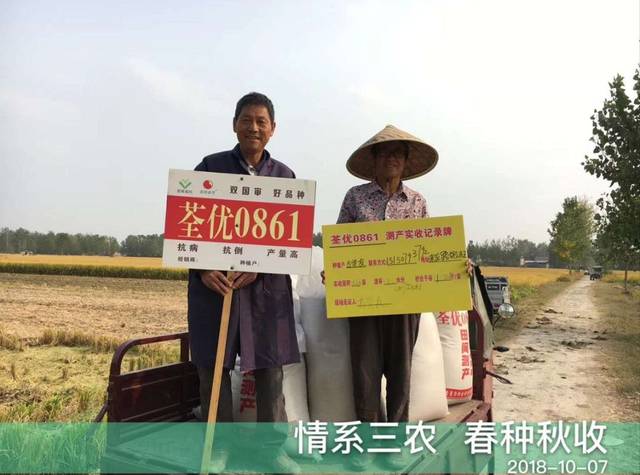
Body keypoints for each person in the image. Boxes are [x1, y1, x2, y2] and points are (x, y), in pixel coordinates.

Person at [188, 92, 300, 473]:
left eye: (261, 121)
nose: (254, 127)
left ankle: (272, 449)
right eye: (247, 120)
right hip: (216, 289)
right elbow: (188, 226)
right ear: (234, 124)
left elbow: (289, 241)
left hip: (266, 292)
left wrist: (262, 266)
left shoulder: (284, 178)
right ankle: (220, 447)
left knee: (270, 369)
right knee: (213, 368)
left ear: (273, 129)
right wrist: (203, 269)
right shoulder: (210, 168)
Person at [336, 124, 438, 471]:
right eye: (385, 153)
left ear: (406, 162)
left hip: (406, 303)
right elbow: (340, 246)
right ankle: (365, 444)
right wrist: (335, 271)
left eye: (399, 154)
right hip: (363, 302)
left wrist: (454, 264)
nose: (392, 159)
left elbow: (429, 250)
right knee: (364, 373)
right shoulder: (355, 198)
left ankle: (395, 443)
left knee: (400, 373)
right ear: (374, 159)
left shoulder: (418, 202)